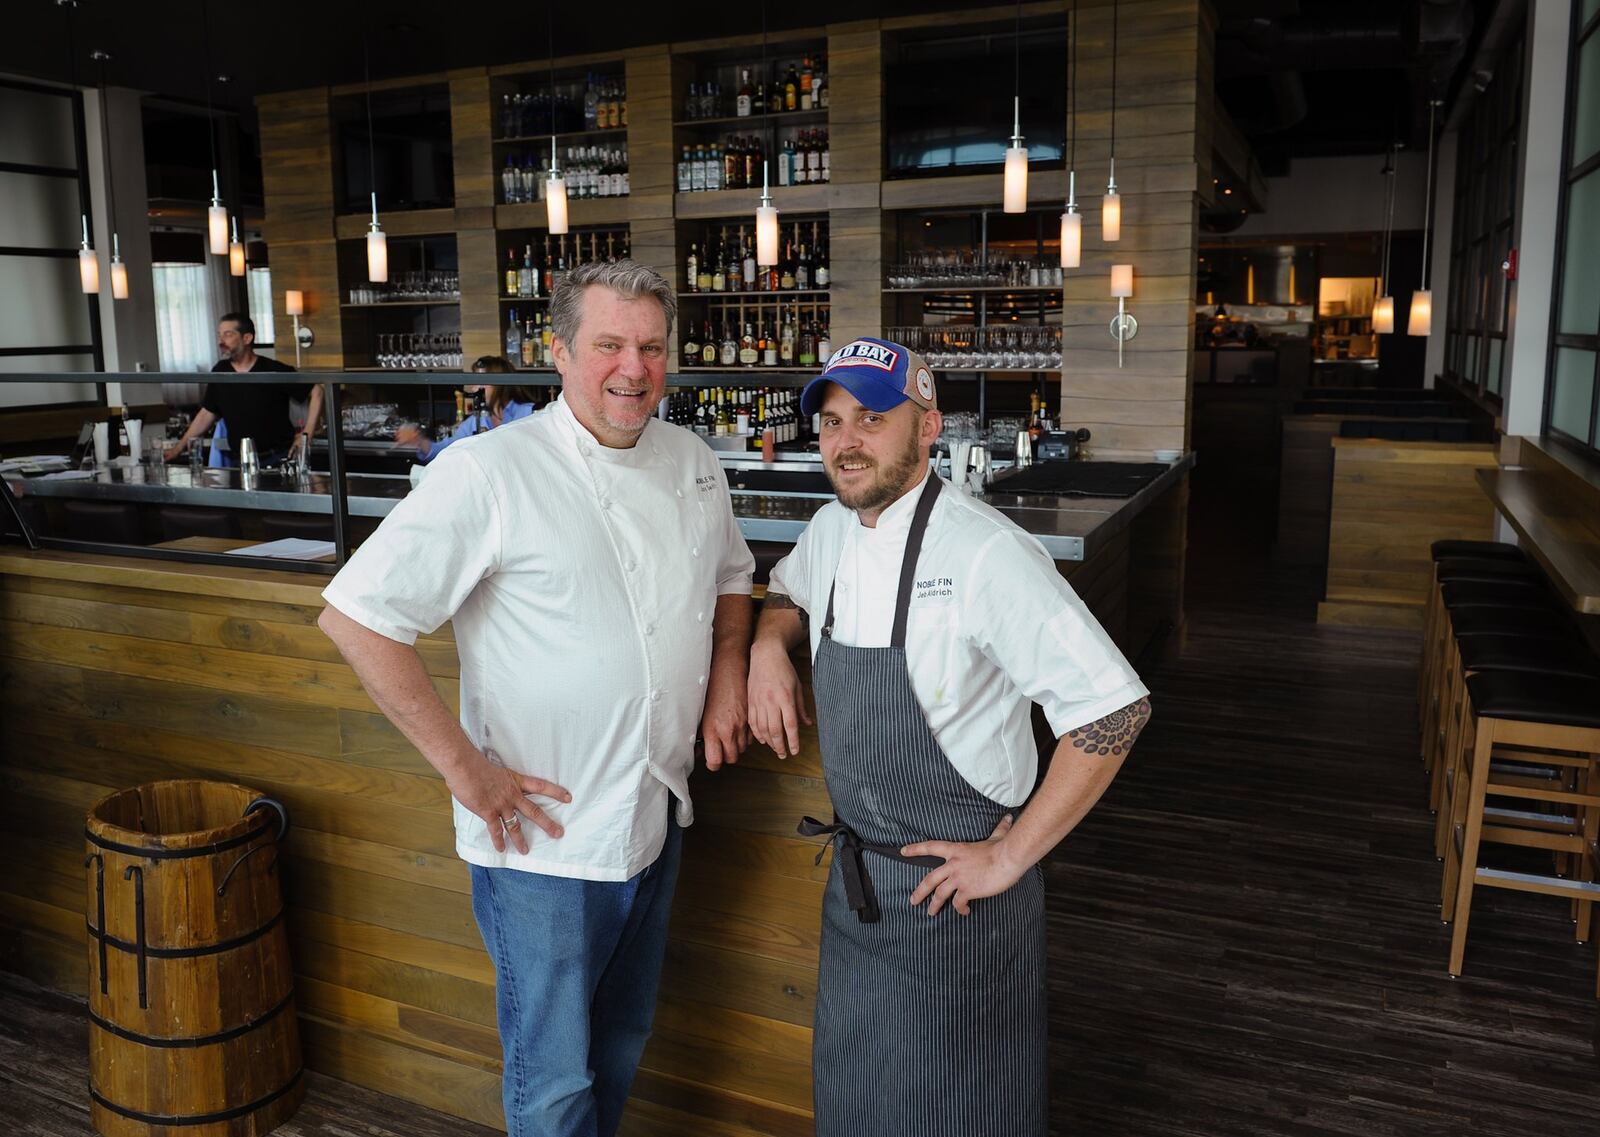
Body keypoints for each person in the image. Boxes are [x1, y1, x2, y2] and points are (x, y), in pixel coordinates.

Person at [316, 259, 755, 1137]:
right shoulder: (487, 470)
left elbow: (733, 579)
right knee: (554, 1080)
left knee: (621, 1041)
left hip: (654, 810)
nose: (633, 368)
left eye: (651, 347)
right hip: (542, 843)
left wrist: (732, 670)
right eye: (609, 345)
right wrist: (466, 771)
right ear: (557, 353)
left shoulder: (693, 459)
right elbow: (357, 617)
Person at [746, 337, 1153, 1137]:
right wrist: (766, 646)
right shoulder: (830, 531)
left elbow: (1112, 711)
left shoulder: (985, 550)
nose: (846, 441)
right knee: (857, 1106)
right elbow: (786, 595)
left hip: (957, 905)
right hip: (858, 894)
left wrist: (1008, 855)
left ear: (928, 428)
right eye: (830, 422)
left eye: (872, 418)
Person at [164, 313, 322, 467]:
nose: (221, 341)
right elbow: (206, 413)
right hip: (240, 461)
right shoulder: (220, 370)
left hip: (277, 458)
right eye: (219, 335)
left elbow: (317, 391)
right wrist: (178, 448)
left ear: (247, 338)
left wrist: (306, 435)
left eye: (228, 335)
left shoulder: (272, 369)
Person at [394, 355, 538, 463]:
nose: (475, 388)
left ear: (500, 383)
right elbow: (446, 452)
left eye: (480, 382)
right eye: (474, 382)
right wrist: (419, 440)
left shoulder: (528, 413)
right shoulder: (477, 420)